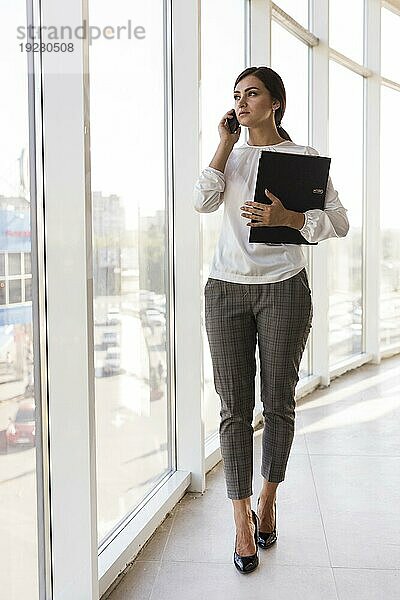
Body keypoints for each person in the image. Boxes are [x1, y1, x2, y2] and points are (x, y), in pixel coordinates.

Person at [193, 66, 349, 574]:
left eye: (251, 94)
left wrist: (288, 220)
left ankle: (269, 499)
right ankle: (240, 520)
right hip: (226, 291)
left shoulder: (303, 161)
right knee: (233, 408)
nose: (241, 103)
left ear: (276, 103)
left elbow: (340, 223)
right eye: (235, 95)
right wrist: (222, 144)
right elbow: (202, 200)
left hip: (284, 291)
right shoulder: (231, 158)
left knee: (278, 403)